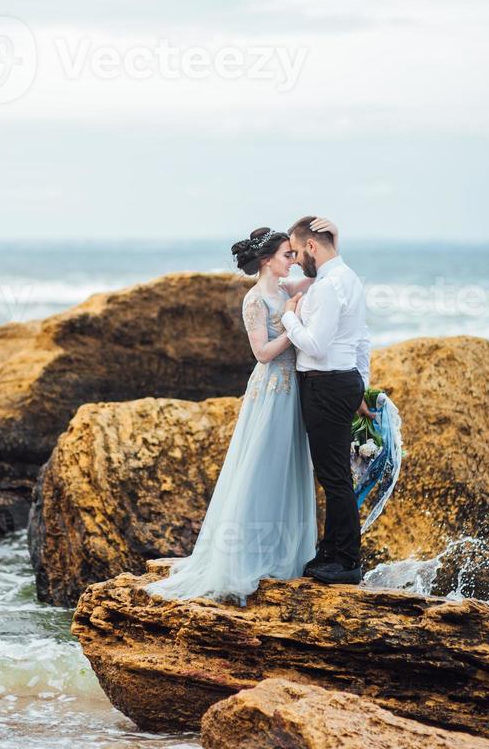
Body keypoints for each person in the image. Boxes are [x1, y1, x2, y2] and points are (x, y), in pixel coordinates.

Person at [144, 219, 337, 607]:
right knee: (260, 468)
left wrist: (333, 239)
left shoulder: (286, 288)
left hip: (292, 389)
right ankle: (245, 557)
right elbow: (262, 354)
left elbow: (326, 280)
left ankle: (285, 555)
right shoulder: (255, 300)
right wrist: (291, 321)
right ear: (268, 260)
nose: (294, 261)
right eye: (287, 255)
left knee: (287, 469)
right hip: (270, 392)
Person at [282, 216, 372, 585]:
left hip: (325, 384)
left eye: (298, 251)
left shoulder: (325, 288)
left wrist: (289, 319)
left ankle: (347, 560)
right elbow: (363, 339)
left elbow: (315, 346)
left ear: (311, 248)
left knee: (334, 478)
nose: (296, 260)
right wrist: (360, 386)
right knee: (334, 475)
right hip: (344, 380)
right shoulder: (348, 277)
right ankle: (333, 551)